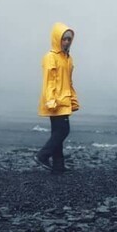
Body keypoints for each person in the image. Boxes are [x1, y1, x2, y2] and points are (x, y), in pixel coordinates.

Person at [35, 22, 79, 174]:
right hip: (55, 100)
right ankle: (42, 155)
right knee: (63, 131)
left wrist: (73, 100)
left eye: (69, 39)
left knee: (57, 133)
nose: (66, 42)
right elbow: (49, 81)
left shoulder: (68, 58)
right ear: (57, 39)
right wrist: (50, 100)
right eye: (64, 39)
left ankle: (58, 166)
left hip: (64, 99)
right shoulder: (50, 57)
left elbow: (68, 81)